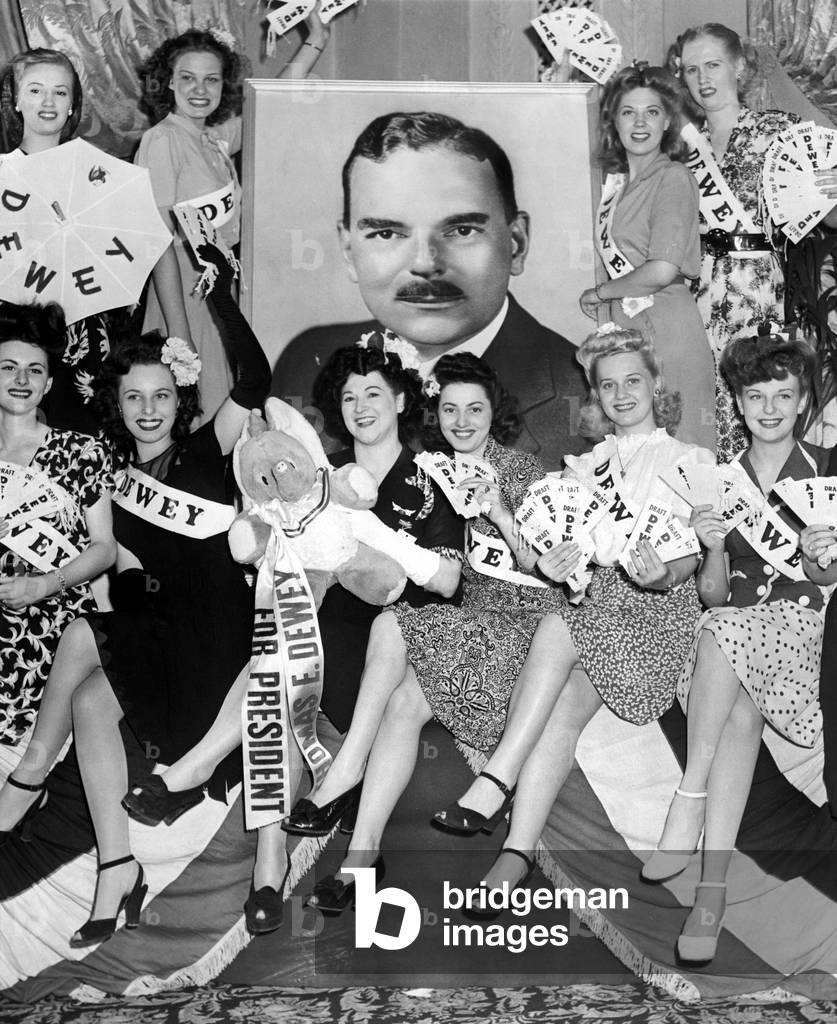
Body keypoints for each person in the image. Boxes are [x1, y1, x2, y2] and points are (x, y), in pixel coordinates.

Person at [123, 333, 463, 935]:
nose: (361, 406)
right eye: (350, 395)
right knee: (281, 664)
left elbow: (447, 582)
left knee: (282, 662)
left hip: (392, 632)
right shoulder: (309, 473)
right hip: (313, 629)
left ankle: (221, 799)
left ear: (404, 401)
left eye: (375, 393)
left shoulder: (429, 479)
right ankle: (270, 864)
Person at [0, 246, 270, 945]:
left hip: (212, 648)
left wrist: (218, 294)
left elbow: (254, 376)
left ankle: (28, 773)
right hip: (150, 644)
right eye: (133, 397)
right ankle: (116, 871)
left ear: (179, 399)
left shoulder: (207, 452)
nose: (149, 410)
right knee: (91, 698)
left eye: (161, 395)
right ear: (116, 406)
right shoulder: (111, 479)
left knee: (88, 634)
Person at [428, 327, 715, 913]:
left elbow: (690, 557)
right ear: (596, 396)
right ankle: (516, 853)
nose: (622, 393)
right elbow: (550, 554)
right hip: (598, 604)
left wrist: (663, 574)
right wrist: (557, 561)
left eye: (634, 380)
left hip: (654, 613)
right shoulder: (583, 467)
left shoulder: (691, 460)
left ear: (656, 385)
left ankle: (497, 779)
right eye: (608, 385)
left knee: (557, 624)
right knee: (559, 710)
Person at [283, 353, 571, 861]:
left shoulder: (520, 468)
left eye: (474, 410)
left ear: (493, 413)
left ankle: (347, 772)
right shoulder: (433, 473)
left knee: (393, 623)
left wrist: (499, 513)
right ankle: (360, 854)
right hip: (466, 620)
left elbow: (549, 568)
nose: (462, 422)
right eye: (450, 410)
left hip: (523, 621)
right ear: (434, 415)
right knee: (399, 700)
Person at [273, 110, 589, 471]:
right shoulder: (306, 361)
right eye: (387, 233)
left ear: (516, 243)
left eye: (462, 230)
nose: (425, 263)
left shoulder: (583, 390)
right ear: (348, 252)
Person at [648, 330, 827, 963]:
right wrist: (715, 545)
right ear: (738, 403)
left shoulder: (830, 471)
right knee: (734, 696)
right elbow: (716, 596)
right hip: (735, 643)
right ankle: (711, 894)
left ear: (804, 400)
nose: (771, 408)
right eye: (757, 395)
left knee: (723, 638)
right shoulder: (719, 481)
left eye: (784, 394)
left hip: (803, 633)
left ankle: (688, 796)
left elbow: (827, 582)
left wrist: (821, 556)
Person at [136, 12, 330, 420]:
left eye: (212, 79)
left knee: (229, 418)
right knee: (195, 421)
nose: (200, 89)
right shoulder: (161, 141)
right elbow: (157, 244)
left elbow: (274, 94)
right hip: (183, 297)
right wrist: (179, 332)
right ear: (169, 81)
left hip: (220, 296)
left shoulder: (213, 138)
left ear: (224, 84)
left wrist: (317, 37)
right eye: (187, 78)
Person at [666, 23, 837, 463]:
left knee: (761, 404)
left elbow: (826, 211)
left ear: (739, 67)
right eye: (690, 69)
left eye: (713, 65)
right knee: (703, 410)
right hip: (696, 294)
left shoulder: (781, 131)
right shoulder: (679, 150)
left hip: (761, 291)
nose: (702, 78)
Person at [0, 301, 115, 762]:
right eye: (8, 367)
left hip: (52, 624)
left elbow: (104, 548)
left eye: (34, 370)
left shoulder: (82, 451)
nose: (21, 380)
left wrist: (44, 584)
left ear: (49, 384)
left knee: (33, 764)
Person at [580, 64, 715, 451]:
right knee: (630, 448)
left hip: (666, 323)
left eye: (651, 112)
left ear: (667, 120)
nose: (640, 123)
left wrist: (601, 292)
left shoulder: (673, 177)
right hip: (626, 323)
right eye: (628, 112)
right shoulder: (617, 187)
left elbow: (662, 269)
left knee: (682, 445)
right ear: (614, 121)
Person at [0, 49, 111, 435]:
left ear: (72, 105)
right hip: (15, 330)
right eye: (35, 90)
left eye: (60, 93)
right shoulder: (3, 175)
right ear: (16, 100)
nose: (47, 102)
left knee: (78, 438)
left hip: (81, 327)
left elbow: (116, 254)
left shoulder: (99, 175)